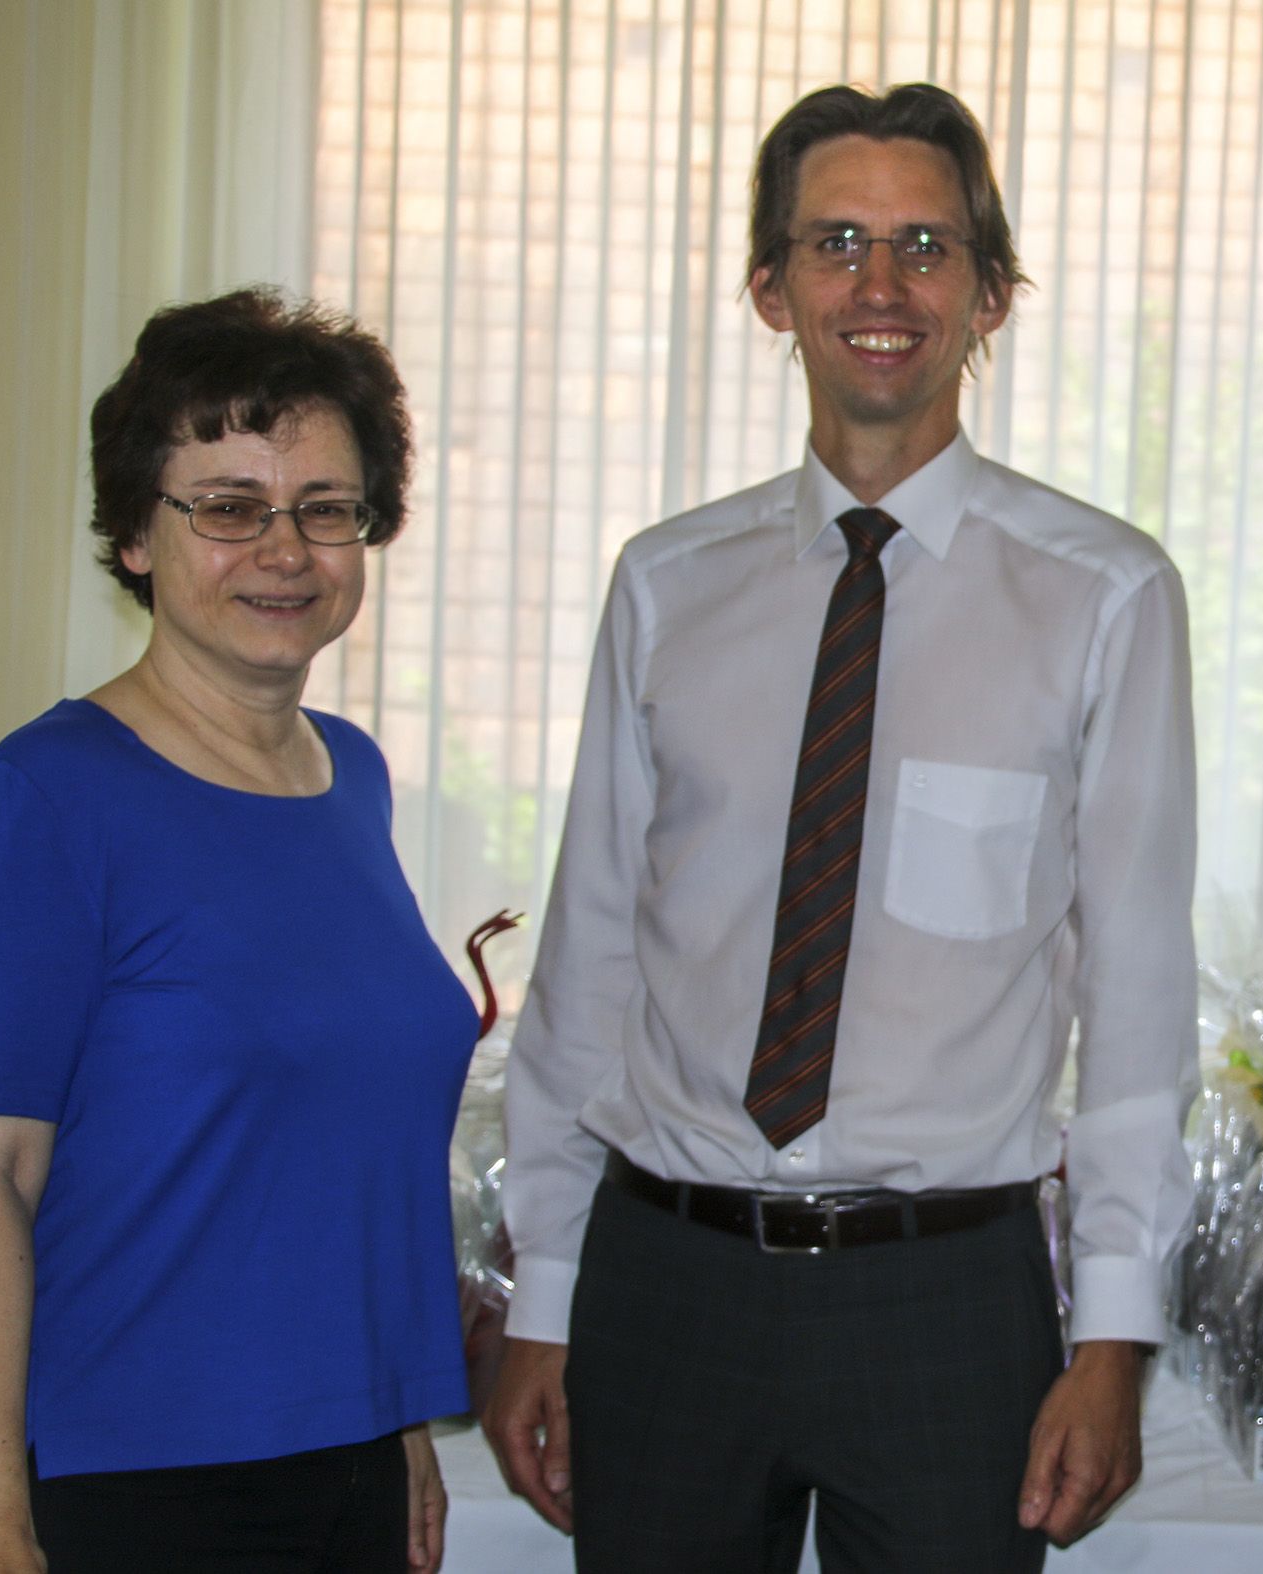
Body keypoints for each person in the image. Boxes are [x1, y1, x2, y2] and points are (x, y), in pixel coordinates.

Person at [483, 82, 1198, 1573]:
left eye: (926, 246)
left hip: (947, 1296)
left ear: (989, 294)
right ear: (771, 287)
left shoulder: (1104, 595)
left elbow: (1135, 1000)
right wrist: (544, 1291)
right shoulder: (664, 585)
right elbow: (589, 956)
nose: (881, 285)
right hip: (665, 1281)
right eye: (836, 243)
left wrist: (1115, 1333)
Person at [0, 289, 474, 1574]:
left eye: (324, 508)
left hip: (341, 1466)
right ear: (133, 534)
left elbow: (342, 1150)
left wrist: (393, 1413)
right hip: (123, 1482)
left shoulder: (353, 777)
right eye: (227, 506)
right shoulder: (45, 797)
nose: (283, 548)